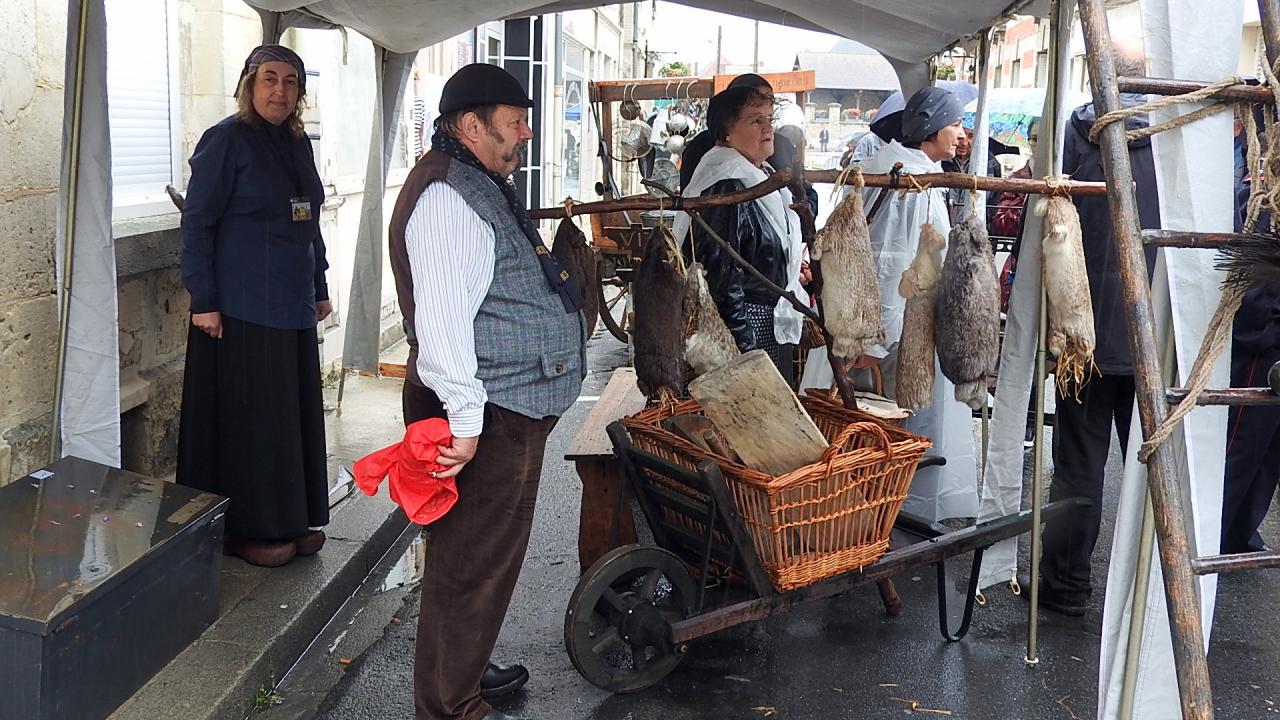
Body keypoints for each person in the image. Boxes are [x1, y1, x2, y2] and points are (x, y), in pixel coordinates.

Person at [387, 63, 586, 720]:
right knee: (470, 564)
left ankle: (464, 672)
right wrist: (468, 424)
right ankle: (449, 704)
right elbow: (441, 327)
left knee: (479, 561)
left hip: (504, 407)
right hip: (487, 411)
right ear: (470, 126)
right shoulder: (447, 198)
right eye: (515, 122)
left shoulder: (473, 183)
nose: (526, 133)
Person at [177, 45, 331, 569]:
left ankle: (293, 517)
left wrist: (320, 283)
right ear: (249, 84)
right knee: (254, 421)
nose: (280, 91)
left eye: (291, 82)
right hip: (240, 306)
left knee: (290, 417)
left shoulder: (294, 142)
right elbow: (197, 223)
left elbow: (308, 219)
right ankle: (247, 528)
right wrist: (204, 299)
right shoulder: (225, 140)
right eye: (270, 80)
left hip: (290, 302)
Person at [1034, 43, 1161, 616]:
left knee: (1079, 469)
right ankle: (1151, 597)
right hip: (1155, 331)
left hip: (1082, 330)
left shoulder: (1077, 135)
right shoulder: (1177, 140)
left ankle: (1064, 588)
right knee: (1157, 471)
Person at [855, 85, 979, 523]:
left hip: (884, 323)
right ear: (929, 130)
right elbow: (888, 262)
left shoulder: (894, 169)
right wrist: (878, 337)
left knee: (875, 429)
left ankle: (879, 515)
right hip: (899, 329)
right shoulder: (911, 182)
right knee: (896, 428)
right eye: (956, 124)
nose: (962, 134)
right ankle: (892, 519)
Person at [673, 85, 808, 382]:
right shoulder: (728, 185)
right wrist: (744, 352)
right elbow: (722, 281)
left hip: (767, 325)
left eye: (769, 119)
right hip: (745, 330)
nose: (767, 127)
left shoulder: (762, 176)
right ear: (726, 133)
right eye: (755, 120)